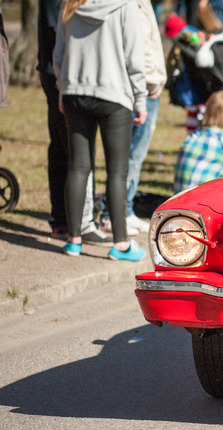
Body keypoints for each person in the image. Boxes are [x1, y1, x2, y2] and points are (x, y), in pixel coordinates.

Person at [53, 0, 148, 261]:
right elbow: (134, 57)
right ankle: (121, 244)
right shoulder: (126, 5)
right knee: (117, 171)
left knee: (78, 167)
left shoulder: (70, 4)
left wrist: (63, 88)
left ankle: (73, 241)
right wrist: (140, 99)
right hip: (114, 94)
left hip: (75, 92)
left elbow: (58, 53)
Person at [38, 0, 113, 245]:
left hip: (59, 71)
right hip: (64, 74)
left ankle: (65, 219)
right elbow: (58, 30)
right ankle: (78, 224)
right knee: (74, 151)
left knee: (64, 147)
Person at [99, 0, 167, 236]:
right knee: (128, 156)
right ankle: (113, 214)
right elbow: (139, 49)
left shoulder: (142, 4)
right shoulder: (132, 5)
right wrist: (148, 81)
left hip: (147, 87)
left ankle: (125, 210)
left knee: (135, 156)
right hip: (140, 89)